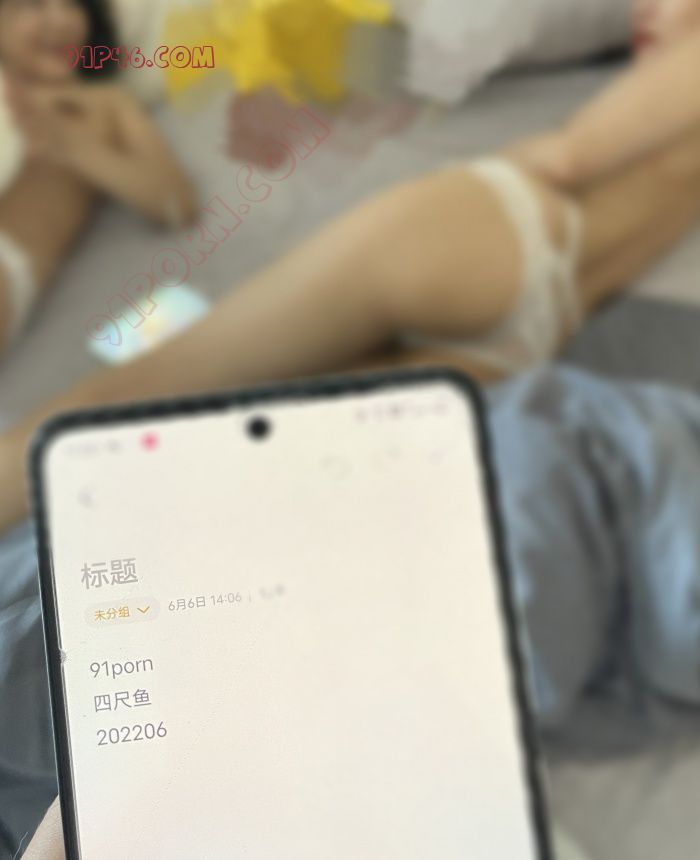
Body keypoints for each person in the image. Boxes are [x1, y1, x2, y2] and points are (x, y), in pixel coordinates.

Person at [12, 0, 700, 853]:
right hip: (498, 317)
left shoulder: (101, 73)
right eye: (30, 13)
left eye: (56, 11)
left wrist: (66, 120)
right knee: (200, 417)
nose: (50, 27)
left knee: (153, 405)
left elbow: (562, 155)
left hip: (478, 260)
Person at [0, 0, 196, 355]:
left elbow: (175, 204)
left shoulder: (105, 104)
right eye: (34, 4)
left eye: (73, 4)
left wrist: (72, 148)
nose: (59, 19)